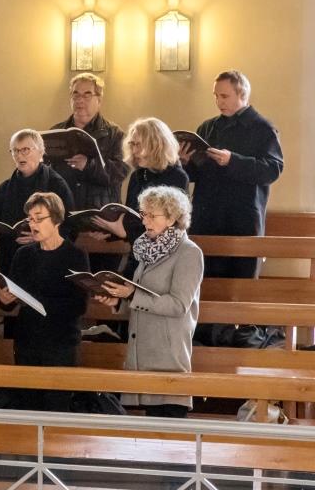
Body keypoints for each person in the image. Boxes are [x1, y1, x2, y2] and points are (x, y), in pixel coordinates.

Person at [92, 186, 203, 418]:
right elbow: (139, 297)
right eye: (143, 214)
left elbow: (178, 305)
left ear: (172, 217)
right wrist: (117, 301)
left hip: (167, 356)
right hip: (140, 354)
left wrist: (131, 295)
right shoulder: (146, 249)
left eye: (153, 215)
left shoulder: (189, 253)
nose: (145, 221)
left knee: (168, 440)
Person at [180, 70, 283, 279]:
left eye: (224, 96)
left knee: (240, 286)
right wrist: (184, 162)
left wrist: (232, 160)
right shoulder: (208, 127)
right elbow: (196, 174)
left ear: (242, 94)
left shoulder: (263, 128)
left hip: (242, 220)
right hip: (207, 218)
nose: (219, 101)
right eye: (216, 96)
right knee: (205, 285)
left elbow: (272, 169)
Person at [0, 192, 89, 412]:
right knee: (28, 405)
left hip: (61, 341)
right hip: (28, 340)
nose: (32, 224)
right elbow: (11, 299)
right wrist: (5, 300)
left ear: (56, 219)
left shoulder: (75, 255)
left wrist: (40, 303)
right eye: (29, 219)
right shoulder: (23, 255)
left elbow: (79, 305)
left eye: (39, 218)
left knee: (57, 407)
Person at [91, 118, 189, 275]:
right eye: (132, 144)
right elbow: (133, 217)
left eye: (139, 145)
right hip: (138, 255)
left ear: (156, 144)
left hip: (165, 259)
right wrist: (109, 231)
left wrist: (124, 232)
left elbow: (170, 228)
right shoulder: (137, 175)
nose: (134, 151)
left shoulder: (177, 176)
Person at [0, 129, 74, 276]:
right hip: (11, 261)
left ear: (41, 152)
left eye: (25, 150)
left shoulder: (56, 185)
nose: (19, 155)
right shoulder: (4, 188)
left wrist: (40, 236)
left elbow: (69, 227)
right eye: (15, 151)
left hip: (47, 262)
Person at [49, 73, 128, 211]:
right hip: (64, 216)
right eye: (76, 94)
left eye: (87, 95)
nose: (80, 100)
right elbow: (47, 174)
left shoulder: (115, 134)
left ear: (99, 100)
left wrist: (89, 165)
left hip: (101, 217)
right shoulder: (55, 132)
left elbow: (119, 173)